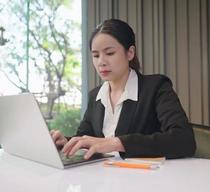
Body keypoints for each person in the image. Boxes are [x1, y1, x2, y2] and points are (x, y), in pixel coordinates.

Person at [51, 19, 196, 160]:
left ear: (130, 53)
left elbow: (184, 140)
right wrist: (67, 143)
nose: (101, 62)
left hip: (146, 179)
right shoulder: (95, 96)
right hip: (103, 179)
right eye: (96, 55)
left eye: (109, 53)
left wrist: (117, 143)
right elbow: (86, 138)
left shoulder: (156, 87)